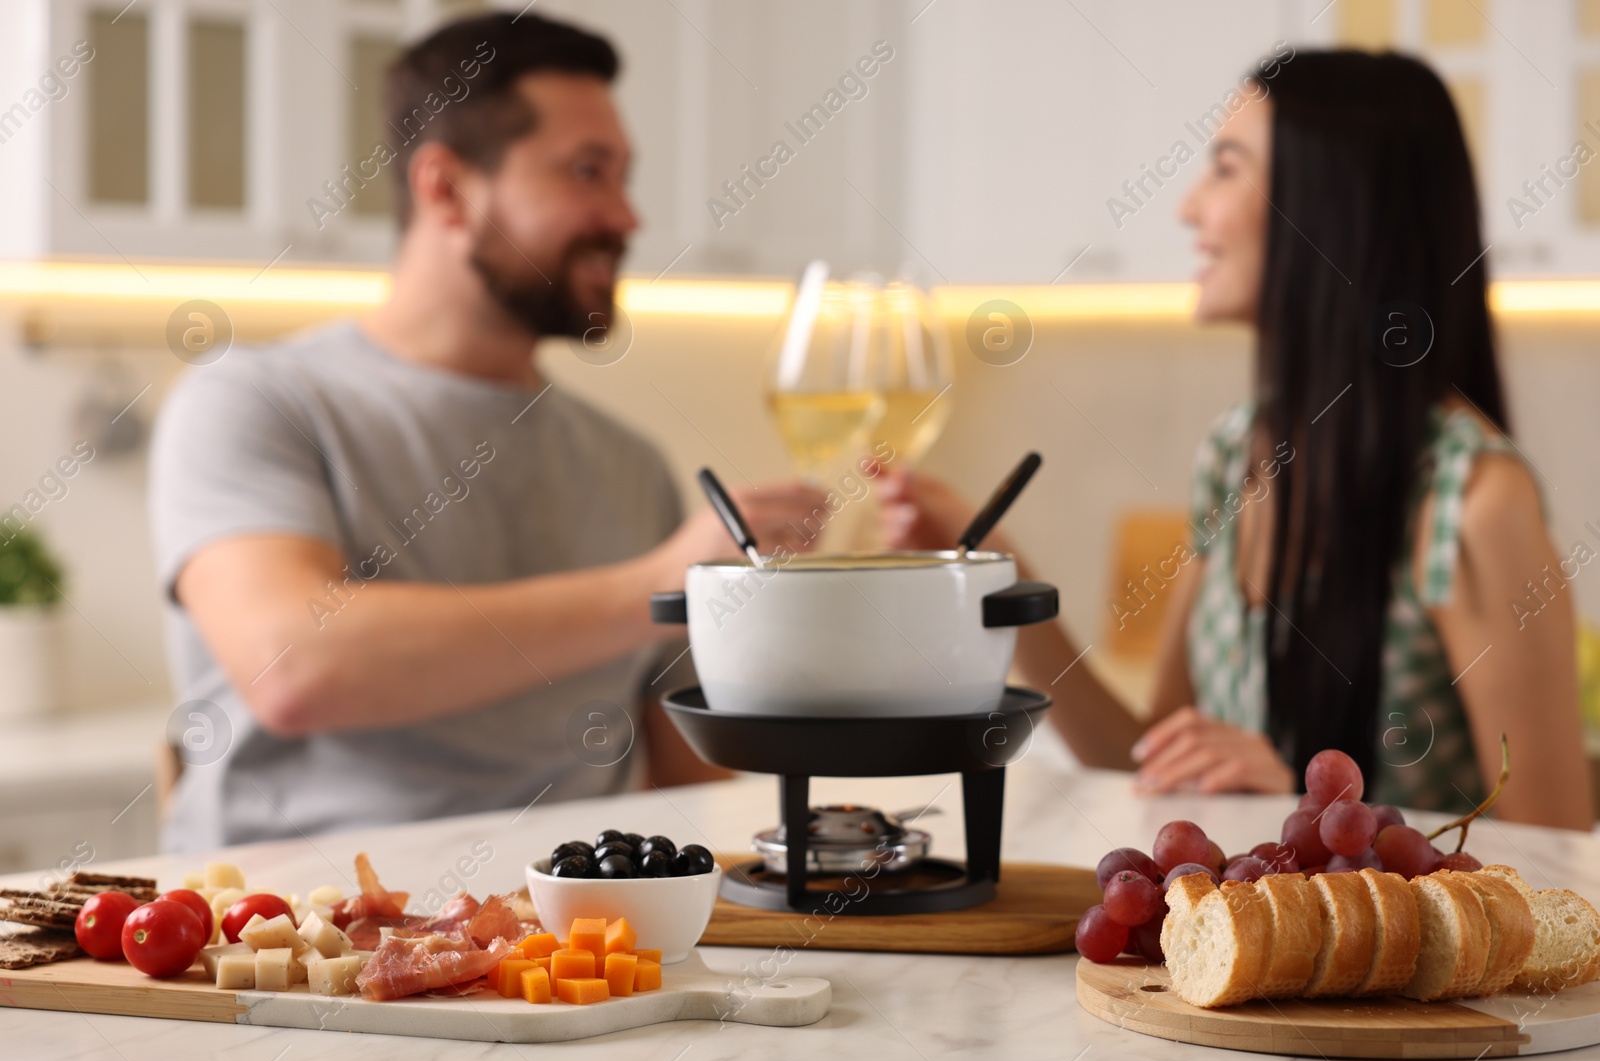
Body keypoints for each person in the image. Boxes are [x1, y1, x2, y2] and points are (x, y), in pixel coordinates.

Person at [149, 12, 823, 850]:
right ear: (447, 190)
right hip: (292, 940)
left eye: (623, 177)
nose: (626, 216)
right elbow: (295, 666)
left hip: (571, 956)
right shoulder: (255, 399)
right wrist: (654, 582)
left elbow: (697, 788)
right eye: (587, 172)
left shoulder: (630, 464)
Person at [882, 51, 1594, 829]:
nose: (1190, 208)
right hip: (1269, 950)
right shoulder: (1237, 456)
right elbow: (1150, 761)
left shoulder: (1473, 499)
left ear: (1328, 209)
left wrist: (1309, 808)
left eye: (1226, 167)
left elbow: (1558, 860)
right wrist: (999, 582)